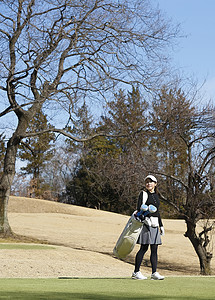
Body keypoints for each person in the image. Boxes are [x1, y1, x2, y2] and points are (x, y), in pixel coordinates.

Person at [132, 175, 165, 280]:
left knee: (154, 249)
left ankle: (154, 273)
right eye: (147, 182)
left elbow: (157, 212)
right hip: (146, 224)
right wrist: (144, 217)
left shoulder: (156, 196)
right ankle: (136, 272)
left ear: (155, 184)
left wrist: (161, 225)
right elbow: (139, 209)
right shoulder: (144, 194)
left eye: (151, 182)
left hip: (155, 224)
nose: (148, 184)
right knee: (144, 248)